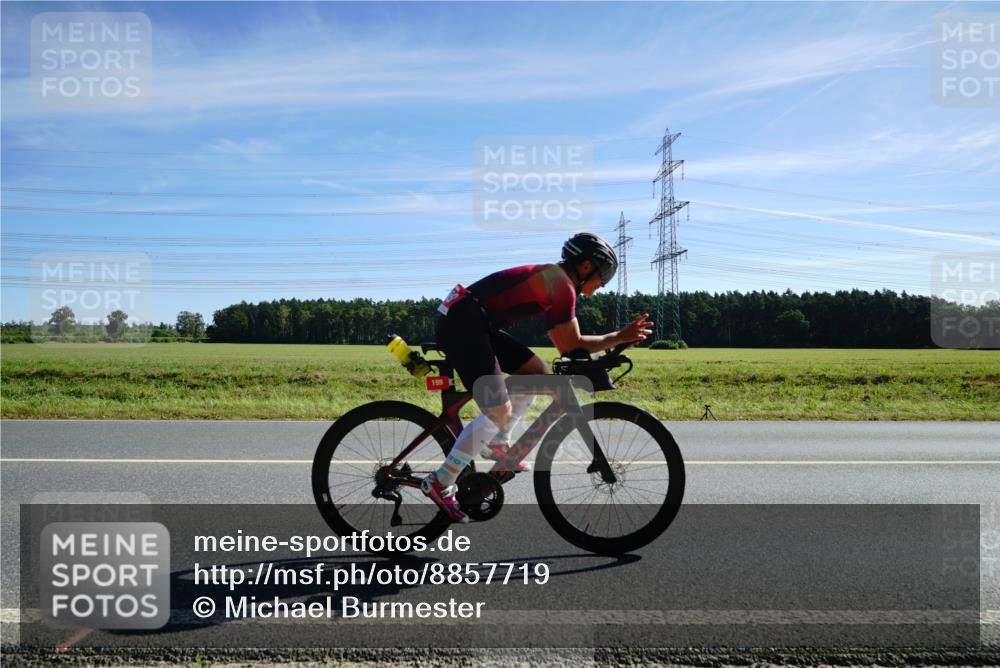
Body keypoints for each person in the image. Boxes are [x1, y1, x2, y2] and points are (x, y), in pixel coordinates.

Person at [423, 232, 653, 522]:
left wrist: (618, 342)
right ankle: (440, 481)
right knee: (498, 410)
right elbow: (570, 345)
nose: (603, 283)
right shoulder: (561, 285)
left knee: (535, 373)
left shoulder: (560, 282)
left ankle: (497, 444)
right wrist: (617, 337)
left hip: (476, 320)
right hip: (464, 321)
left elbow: (572, 344)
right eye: (603, 275)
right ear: (585, 267)